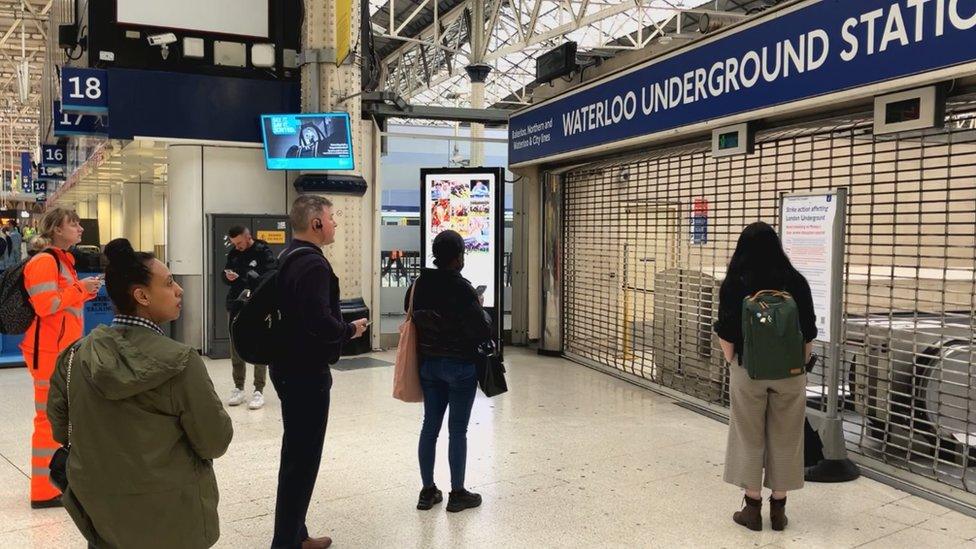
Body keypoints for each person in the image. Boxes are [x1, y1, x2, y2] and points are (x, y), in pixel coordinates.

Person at [47, 238, 233, 548]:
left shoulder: (74, 357)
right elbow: (214, 440)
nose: (179, 290)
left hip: (103, 518)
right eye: (170, 283)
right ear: (141, 295)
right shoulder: (182, 363)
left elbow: (60, 429)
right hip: (172, 519)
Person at [270, 195, 368, 549]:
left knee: (296, 454)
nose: (336, 224)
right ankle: (285, 543)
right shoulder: (312, 265)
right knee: (302, 461)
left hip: (286, 366)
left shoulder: (288, 256)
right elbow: (319, 322)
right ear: (316, 223)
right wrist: (350, 330)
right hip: (304, 373)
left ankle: (296, 534)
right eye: (332, 217)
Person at [713, 222, 817, 532]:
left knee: (748, 434)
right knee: (786, 436)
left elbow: (726, 331)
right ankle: (779, 511)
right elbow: (808, 331)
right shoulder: (796, 282)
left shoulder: (734, 283)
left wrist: (734, 361)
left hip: (749, 371)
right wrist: (799, 364)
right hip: (790, 373)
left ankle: (752, 508)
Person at [405, 230, 492, 513]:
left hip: (429, 365)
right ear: (457, 257)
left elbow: (412, 314)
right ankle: (457, 494)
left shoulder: (419, 284)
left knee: (429, 428)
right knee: (457, 430)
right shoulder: (462, 287)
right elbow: (481, 329)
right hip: (460, 368)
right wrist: (480, 308)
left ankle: (427, 491)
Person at [22, 208, 101, 508]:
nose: (80, 229)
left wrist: (85, 291)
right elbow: (46, 306)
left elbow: (63, 303)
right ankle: (44, 490)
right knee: (47, 420)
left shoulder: (61, 262)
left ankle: (55, 481)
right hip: (48, 354)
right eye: (74, 224)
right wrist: (81, 288)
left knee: (58, 418)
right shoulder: (45, 262)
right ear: (56, 229)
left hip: (59, 352)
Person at [222, 225, 277, 410]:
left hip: (257, 303)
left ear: (248, 237)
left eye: (239, 242)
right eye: (234, 243)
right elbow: (226, 273)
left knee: (258, 343)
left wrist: (247, 277)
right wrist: (227, 276)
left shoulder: (263, 251)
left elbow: (271, 274)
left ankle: (258, 390)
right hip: (236, 302)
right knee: (235, 345)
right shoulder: (234, 254)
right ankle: (238, 387)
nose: (237, 246)